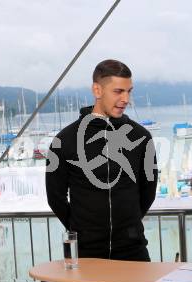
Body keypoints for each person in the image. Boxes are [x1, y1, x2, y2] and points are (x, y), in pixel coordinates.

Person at [46, 59, 158, 261]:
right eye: (118, 91)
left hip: (133, 251)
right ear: (97, 90)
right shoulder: (64, 140)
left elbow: (148, 191)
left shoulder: (141, 137)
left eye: (129, 91)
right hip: (86, 253)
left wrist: (129, 227)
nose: (126, 99)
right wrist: (81, 230)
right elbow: (55, 197)